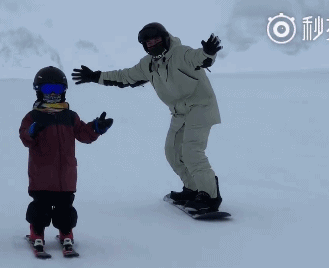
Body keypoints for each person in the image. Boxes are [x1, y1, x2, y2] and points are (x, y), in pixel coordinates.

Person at [72, 22, 224, 214]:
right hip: (180, 112)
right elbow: (124, 76)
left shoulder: (181, 53)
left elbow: (200, 58)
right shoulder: (148, 64)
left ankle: (209, 196)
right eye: (148, 41)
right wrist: (96, 76)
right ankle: (193, 189)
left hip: (201, 107)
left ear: (165, 38)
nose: (152, 43)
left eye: (156, 38)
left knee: (192, 151)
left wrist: (208, 52)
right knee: (173, 152)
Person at [19, 66, 113, 252]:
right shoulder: (33, 116)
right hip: (41, 176)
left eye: (58, 89)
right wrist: (32, 132)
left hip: (66, 175)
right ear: (38, 91)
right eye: (47, 89)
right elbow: (24, 137)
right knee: (41, 207)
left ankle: (66, 232)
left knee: (65, 208)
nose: (53, 94)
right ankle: (36, 231)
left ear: (64, 91)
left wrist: (96, 127)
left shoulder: (70, 116)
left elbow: (83, 134)